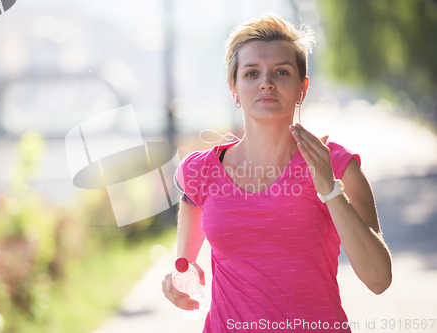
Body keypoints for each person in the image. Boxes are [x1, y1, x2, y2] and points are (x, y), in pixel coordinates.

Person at [162, 13, 392, 333]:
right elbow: (185, 263)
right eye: (251, 73)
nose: (266, 82)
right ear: (234, 88)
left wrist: (329, 188)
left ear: (302, 88)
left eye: (281, 72)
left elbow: (379, 279)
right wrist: (178, 278)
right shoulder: (200, 171)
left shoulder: (336, 165)